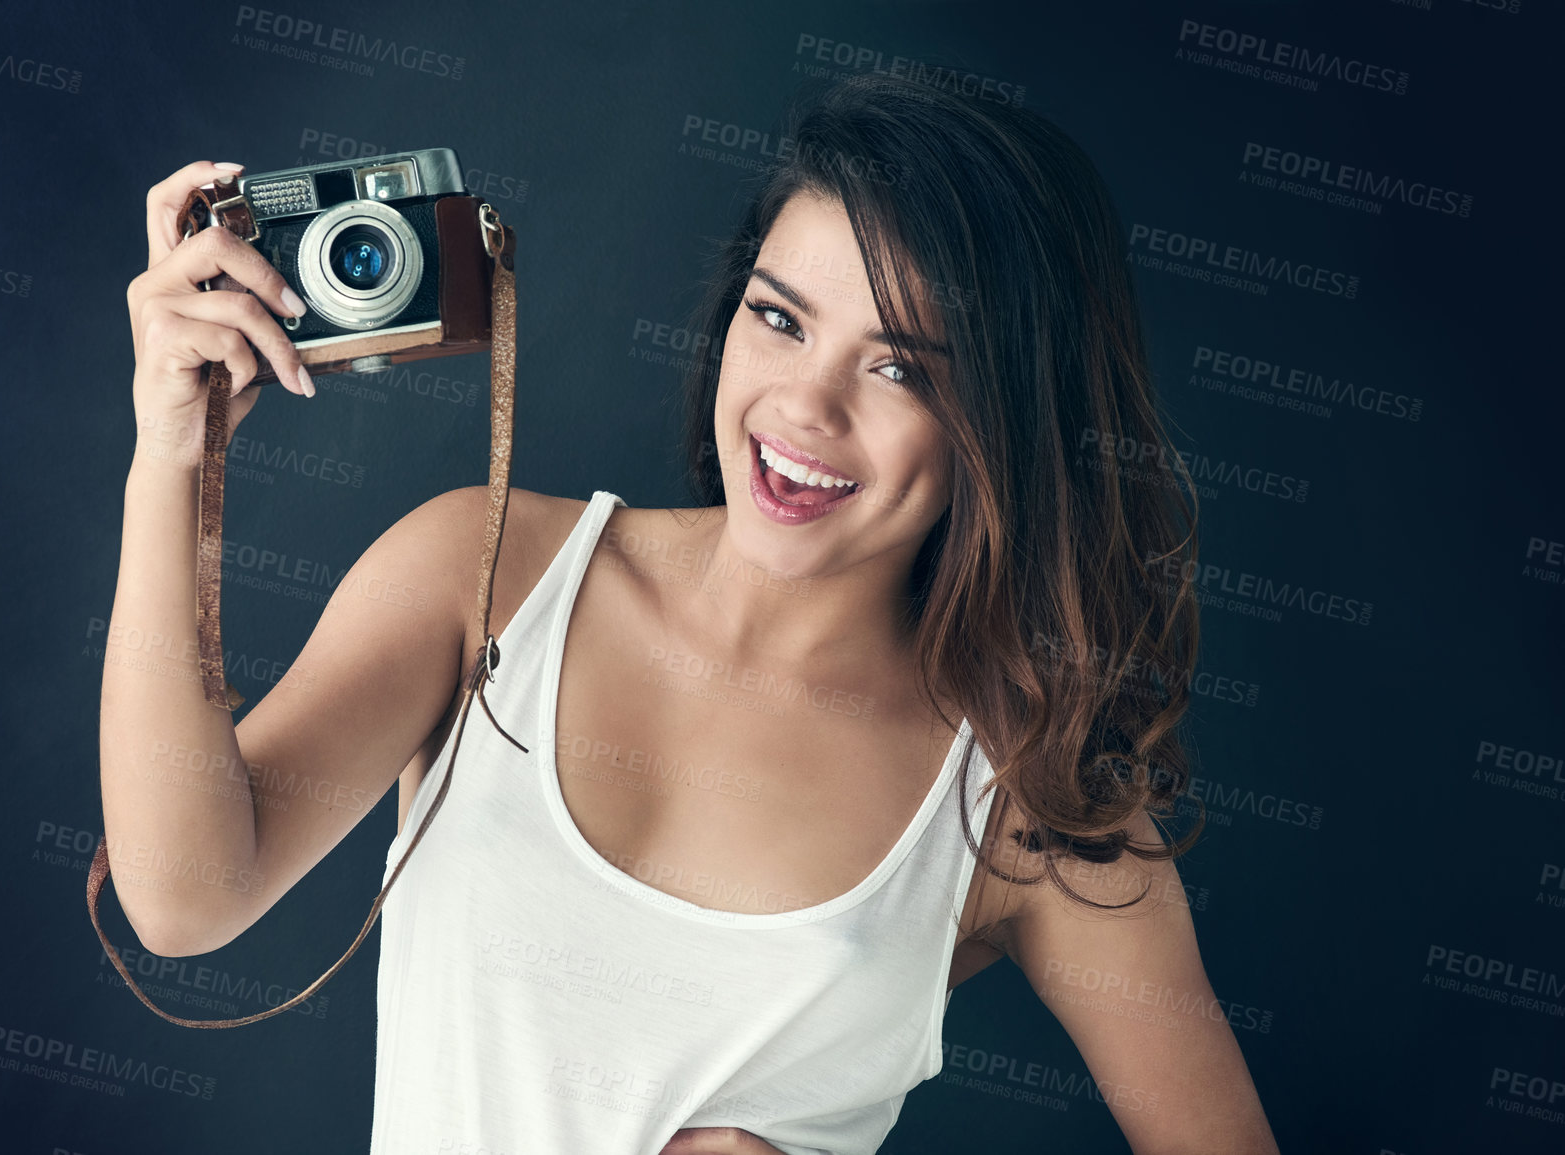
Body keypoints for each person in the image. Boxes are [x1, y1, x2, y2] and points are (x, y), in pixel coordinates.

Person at [100, 72, 1280, 1155]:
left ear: (1007, 425)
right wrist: (170, 458)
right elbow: (187, 898)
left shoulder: (1029, 792)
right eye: (779, 318)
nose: (803, 408)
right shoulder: (490, 568)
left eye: (903, 369)